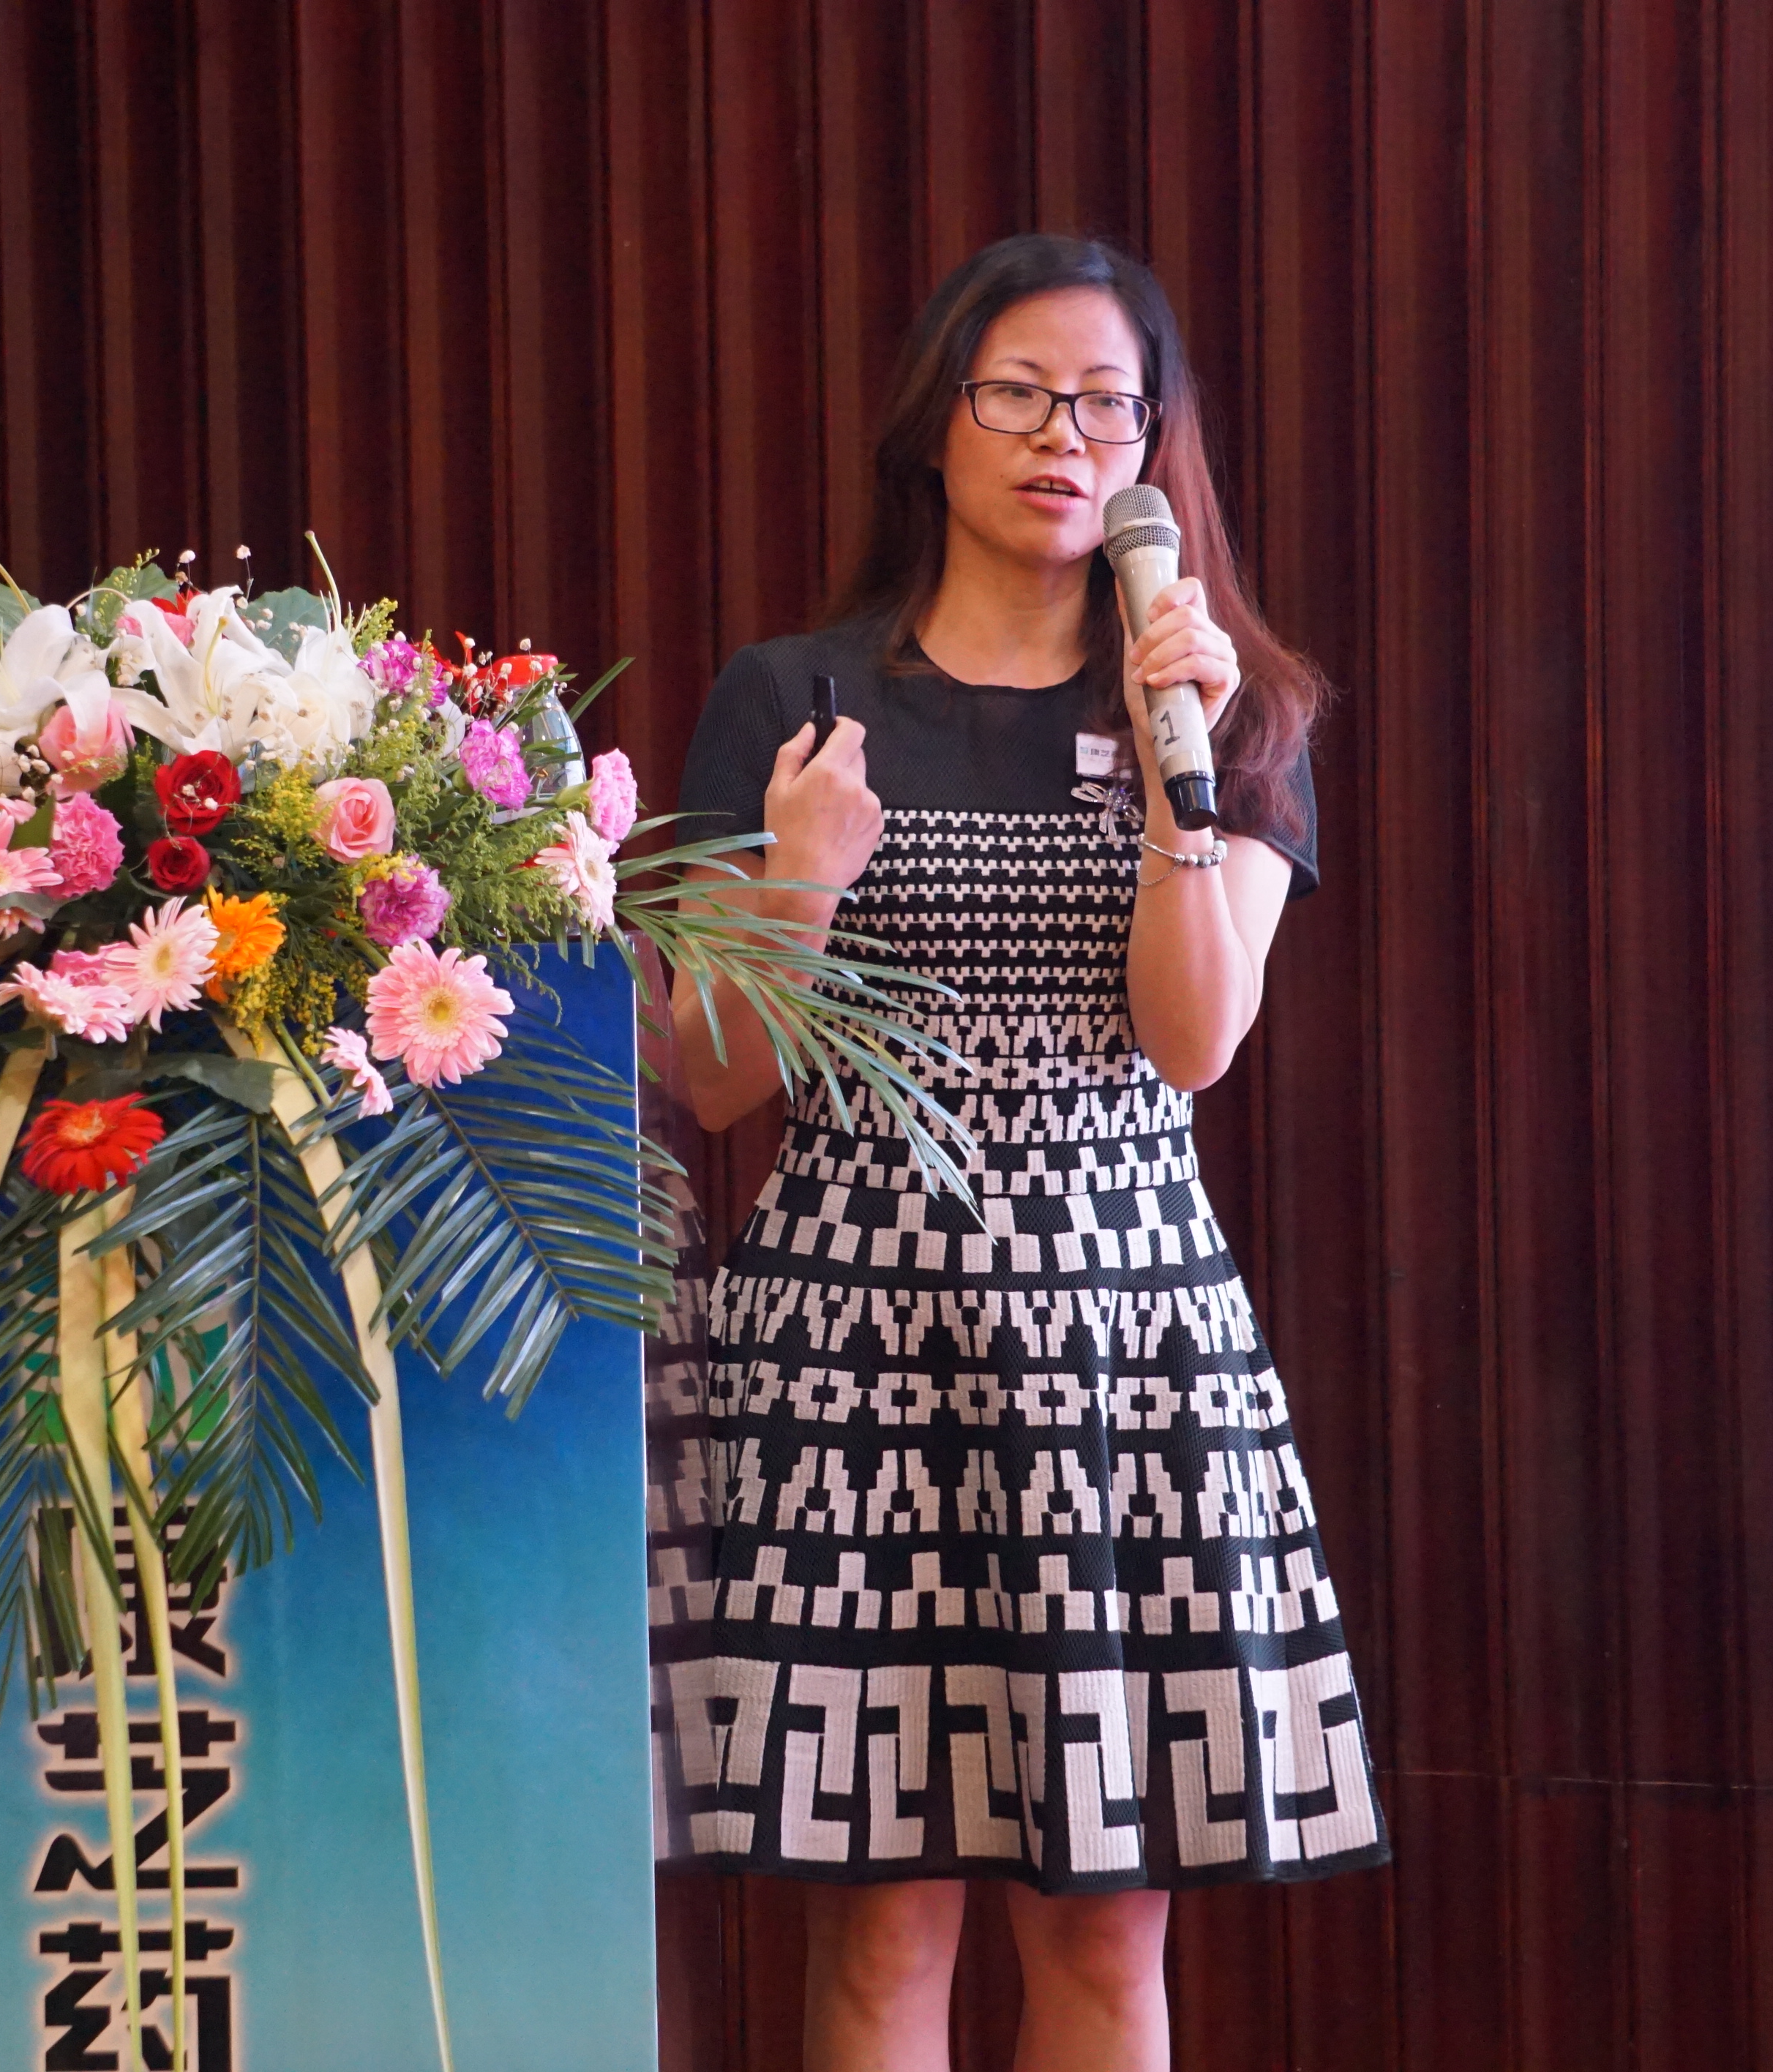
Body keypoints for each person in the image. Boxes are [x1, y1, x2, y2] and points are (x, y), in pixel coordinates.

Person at [653, 233, 1387, 2072]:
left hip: (1117, 1336)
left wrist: (1169, 777)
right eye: (1020, 393)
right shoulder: (794, 695)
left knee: (1104, 1932)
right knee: (881, 1930)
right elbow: (712, 1082)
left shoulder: (1233, 709)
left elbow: (1193, 1043)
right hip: (849, 1338)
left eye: (1107, 405)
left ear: (1153, 447)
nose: (1065, 436)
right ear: (935, 421)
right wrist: (798, 880)